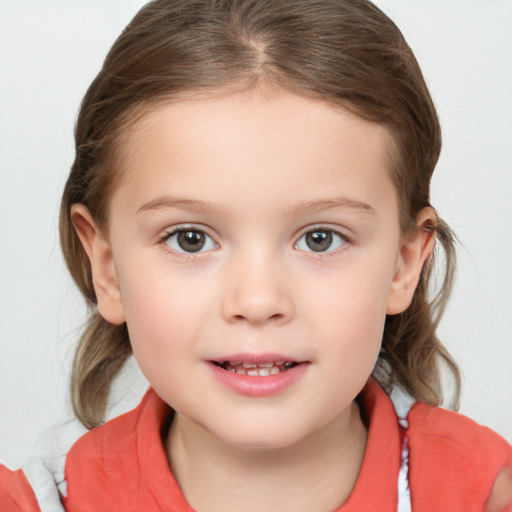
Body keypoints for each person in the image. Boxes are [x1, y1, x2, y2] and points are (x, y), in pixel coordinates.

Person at [1, 0, 511, 510]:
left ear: (404, 265)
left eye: (320, 238)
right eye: (190, 238)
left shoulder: (489, 494)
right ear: (107, 269)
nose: (259, 300)